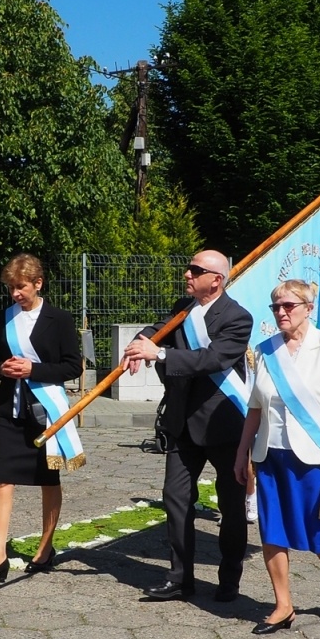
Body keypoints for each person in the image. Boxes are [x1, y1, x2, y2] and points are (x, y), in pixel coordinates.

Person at [123, 249, 253, 602]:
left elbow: (214, 358)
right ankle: (180, 578)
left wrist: (161, 354)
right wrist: (140, 343)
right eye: (189, 268)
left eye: (195, 270)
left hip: (224, 425)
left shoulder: (238, 317)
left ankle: (229, 579)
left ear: (217, 279)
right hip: (183, 424)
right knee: (175, 499)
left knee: (230, 506)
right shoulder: (185, 308)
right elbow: (159, 329)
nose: (187, 274)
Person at [234, 280, 320, 631]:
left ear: (308, 307)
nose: (281, 313)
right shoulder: (264, 350)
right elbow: (255, 408)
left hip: (313, 456)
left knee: (317, 530)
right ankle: (283, 604)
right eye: (276, 307)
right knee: (272, 529)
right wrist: (243, 450)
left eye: (288, 306)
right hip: (270, 455)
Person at [0, 254, 83, 584]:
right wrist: (3, 369)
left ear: (38, 283)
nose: (15, 294)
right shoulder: (5, 317)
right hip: (9, 408)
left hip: (46, 410)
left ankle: (46, 546)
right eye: (11, 288)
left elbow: (72, 367)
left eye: (20, 287)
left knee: (49, 480)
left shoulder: (60, 319)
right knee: (2, 479)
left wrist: (34, 369)